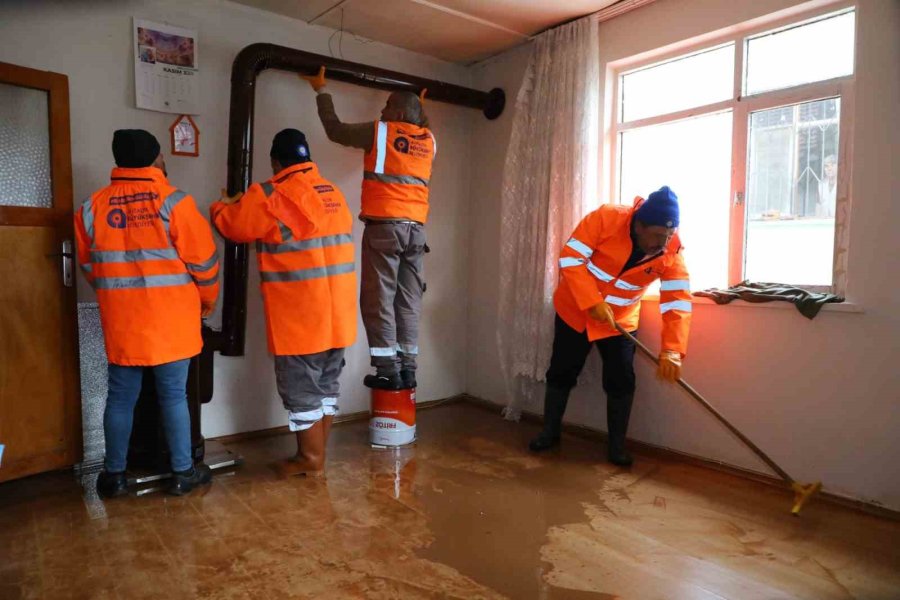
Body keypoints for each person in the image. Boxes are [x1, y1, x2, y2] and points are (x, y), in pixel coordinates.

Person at [74, 129, 219, 497]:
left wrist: (118, 297)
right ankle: (183, 473)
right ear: (157, 158)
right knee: (173, 396)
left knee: (121, 397)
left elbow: (91, 267)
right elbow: (204, 265)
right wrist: (205, 302)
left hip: (123, 321)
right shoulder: (175, 203)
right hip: (172, 322)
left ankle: (114, 476)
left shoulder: (91, 208)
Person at [210, 129, 356, 478]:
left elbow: (234, 227)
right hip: (339, 315)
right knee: (325, 386)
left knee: (301, 389)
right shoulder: (331, 191)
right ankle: (316, 453)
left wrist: (221, 206)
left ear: (276, 162)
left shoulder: (270, 194)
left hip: (301, 317)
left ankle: (310, 459)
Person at [528, 186, 692, 466]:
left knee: (621, 381)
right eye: (655, 236)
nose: (661, 244)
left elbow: (677, 301)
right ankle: (550, 433)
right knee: (561, 372)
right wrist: (591, 301)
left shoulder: (671, 251)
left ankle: (616, 447)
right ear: (638, 224)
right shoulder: (606, 218)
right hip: (576, 311)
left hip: (619, 323)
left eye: (667, 236)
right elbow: (570, 257)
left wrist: (673, 350)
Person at [301, 66, 435, 391]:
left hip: (385, 229)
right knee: (408, 301)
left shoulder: (380, 133)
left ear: (399, 112)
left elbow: (335, 130)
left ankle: (388, 370)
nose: (381, 110)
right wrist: (420, 106)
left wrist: (321, 91)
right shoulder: (428, 140)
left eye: (387, 105)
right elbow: (418, 123)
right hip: (416, 232)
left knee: (378, 300)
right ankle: (408, 369)